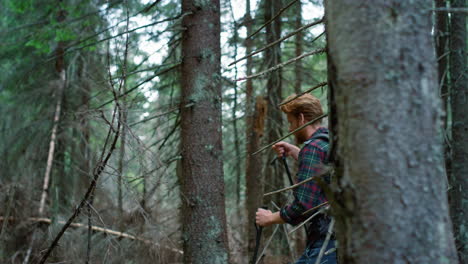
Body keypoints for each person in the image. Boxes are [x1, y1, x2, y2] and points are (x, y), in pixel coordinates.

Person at [255, 93, 337, 264]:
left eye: (291, 122)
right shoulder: (330, 143)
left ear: (301, 119)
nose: (290, 129)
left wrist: (270, 218)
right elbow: (326, 173)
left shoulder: (313, 149)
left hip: (326, 242)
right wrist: (297, 152)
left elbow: (303, 206)